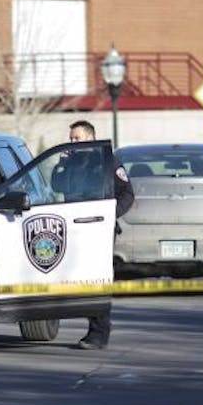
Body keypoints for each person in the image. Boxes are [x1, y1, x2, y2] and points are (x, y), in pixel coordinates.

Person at [66, 119, 134, 349]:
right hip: (74, 226)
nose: (73, 142)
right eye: (71, 138)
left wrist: (109, 214)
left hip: (98, 229)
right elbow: (57, 187)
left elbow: (127, 193)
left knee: (97, 280)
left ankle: (98, 332)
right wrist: (61, 166)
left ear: (90, 138)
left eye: (77, 138)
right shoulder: (71, 161)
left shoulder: (108, 161)